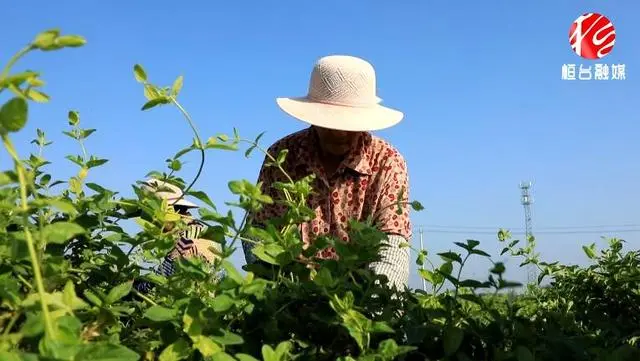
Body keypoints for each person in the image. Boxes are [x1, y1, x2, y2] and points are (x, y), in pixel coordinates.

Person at [243, 55, 411, 290]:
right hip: (289, 298)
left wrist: (368, 308)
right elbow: (258, 235)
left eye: (349, 125)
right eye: (331, 123)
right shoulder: (282, 157)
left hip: (361, 300)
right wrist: (282, 292)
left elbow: (392, 247)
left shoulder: (387, 162)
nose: (340, 133)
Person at [134, 178, 223, 293]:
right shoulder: (202, 231)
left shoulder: (185, 243)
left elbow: (156, 286)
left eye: (151, 217)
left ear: (165, 213)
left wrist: (130, 288)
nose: (151, 224)